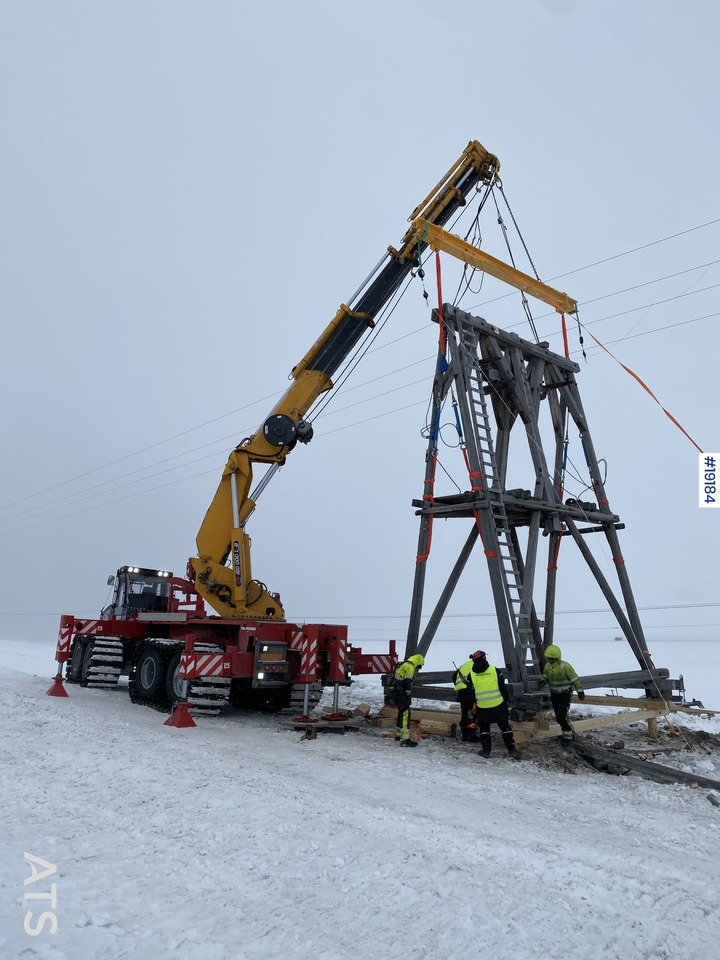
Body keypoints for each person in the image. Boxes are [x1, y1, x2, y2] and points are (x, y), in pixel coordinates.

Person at [468, 652, 517, 757]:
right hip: (498, 704)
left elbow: (470, 692)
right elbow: (502, 688)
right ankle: (512, 750)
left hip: (482, 706)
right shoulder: (495, 671)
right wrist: (506, 701)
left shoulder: (471, 675)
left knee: (484, 729)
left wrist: (473, 706)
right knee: (505, 727)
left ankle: (486, 751)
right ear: (485, 658)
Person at [539, 644, 585, 749]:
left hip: (565, 694)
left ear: (557, 657)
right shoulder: (548, 666)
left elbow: (575, 679)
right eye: (550, 659)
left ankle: (568, 736)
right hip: (555, 694)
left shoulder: (566, 667)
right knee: (558, 716)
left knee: (563, 716)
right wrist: (543, 681)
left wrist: (580, 691)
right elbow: (546, 675)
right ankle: (568, 732)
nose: (551, 661)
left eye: (553, 659)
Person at [391, 654, 425, 747]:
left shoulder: (403, 664)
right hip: (402, 693)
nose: (417, 668)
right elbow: (407, 683)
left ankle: (398, 735)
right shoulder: (410, 667)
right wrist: (408, 694)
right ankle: (405, 740)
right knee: (405, 714)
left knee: (401, 713)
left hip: (397, 692)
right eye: (418, 666)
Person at [453, 651, 484, 742]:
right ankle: (471, 734)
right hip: (469, 691)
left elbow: (454, 676)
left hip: (461, 691)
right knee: (471, 712)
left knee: (464, 712)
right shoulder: (476, 665)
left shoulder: (465, 664)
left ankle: (464, 734)